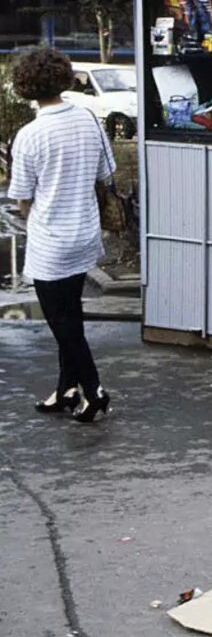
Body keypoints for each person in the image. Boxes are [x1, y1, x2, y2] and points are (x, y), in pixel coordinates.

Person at [6, 47, 115, 423]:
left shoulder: (30, 135)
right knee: (71, 316)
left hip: (51, 242)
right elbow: (105, 173)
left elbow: (22, 200)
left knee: (63, 325)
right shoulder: (88, 119)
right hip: (84, 233)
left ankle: (94, 389)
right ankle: (66, 390)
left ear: (25, 86)